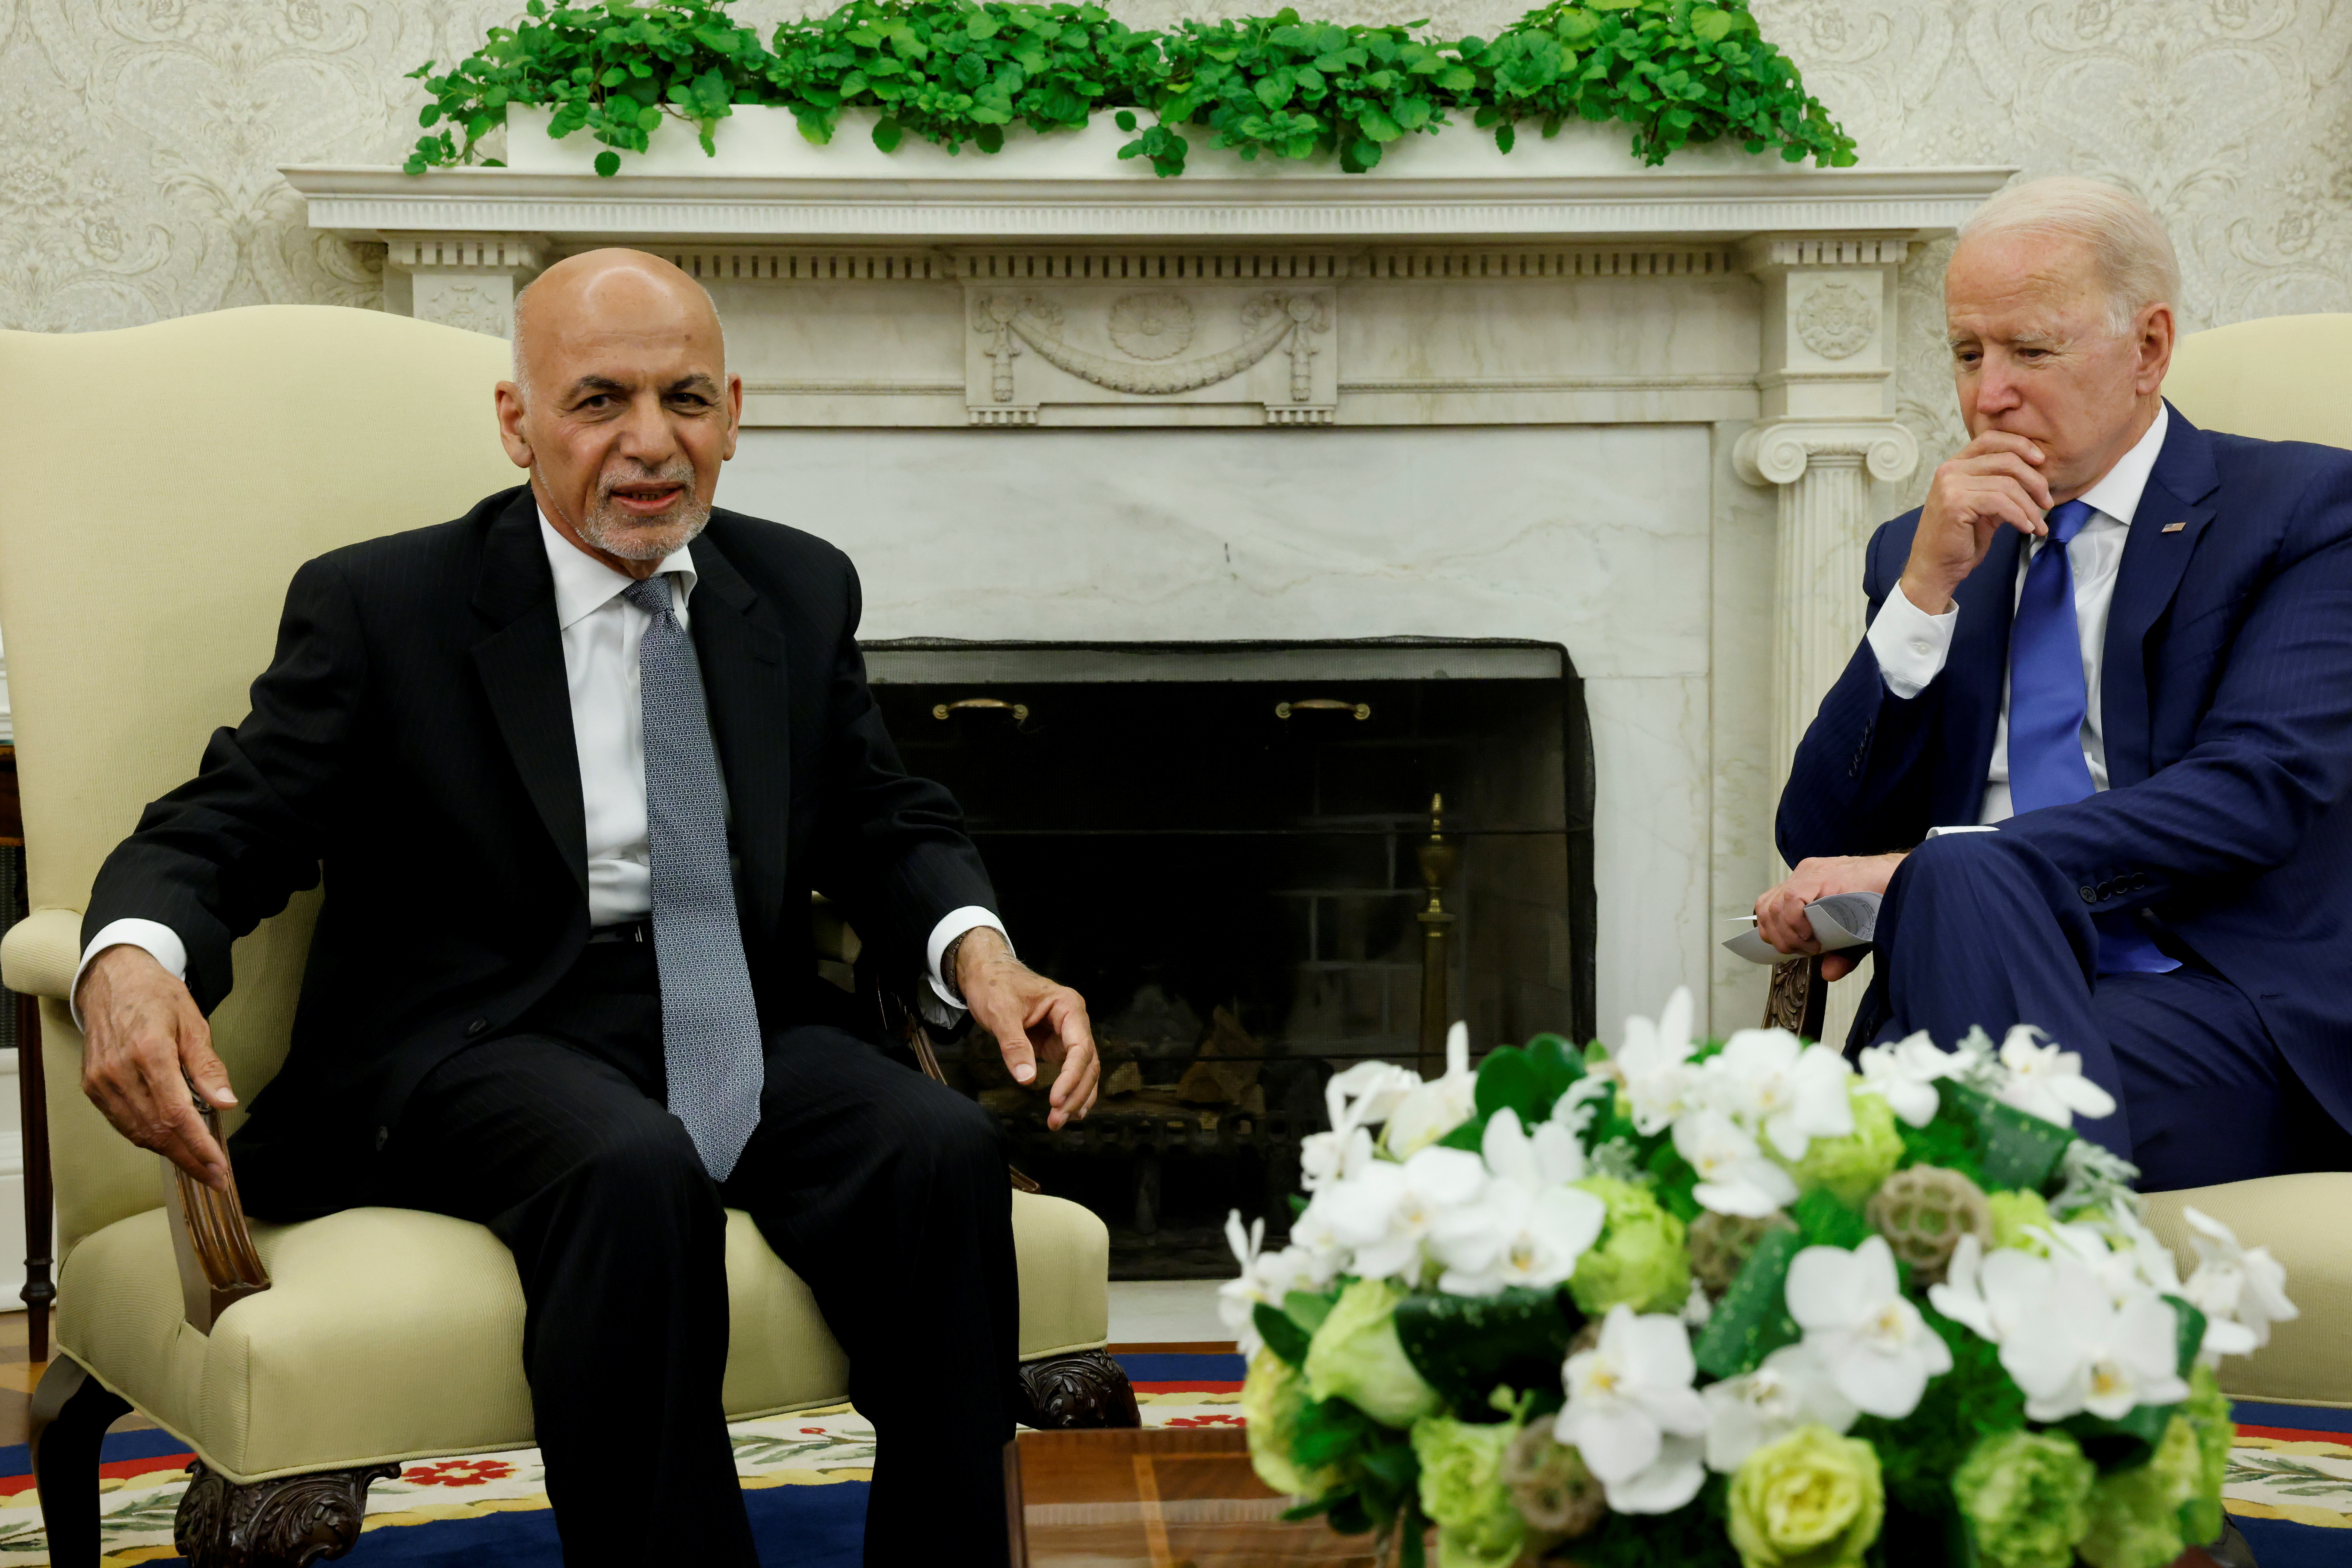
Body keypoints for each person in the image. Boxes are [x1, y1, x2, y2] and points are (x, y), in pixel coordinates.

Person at [68, 249, 1101, 1565]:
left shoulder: (793, 586)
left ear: (734, 410)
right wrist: (133, 957)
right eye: (599, 400)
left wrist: (981, 952)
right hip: (481, 1034)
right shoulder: (385, 605)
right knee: (629, 1169)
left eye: (684, 399)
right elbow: (230, 819)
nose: (649, 444)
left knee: (940, 1153)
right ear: (519, 422)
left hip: (731, 1011)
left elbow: (879, 815)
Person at [1757, 175, 2352, 1193]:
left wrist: (1934, 868)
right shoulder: (1925, 550)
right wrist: (1918, 596)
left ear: (2148, 349)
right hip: (1964, 988)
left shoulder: (2303, 509)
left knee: (1863, 1110)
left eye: (2029, 351)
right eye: (1965, 353)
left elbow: (2255, 792)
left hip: (2215, 1000)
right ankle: (2057, 1306)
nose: (1987, 394)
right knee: (1924, 1054)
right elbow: (1818, 832)